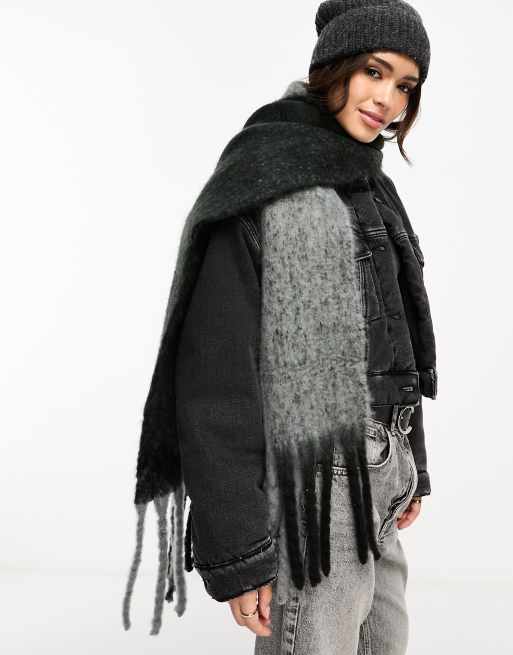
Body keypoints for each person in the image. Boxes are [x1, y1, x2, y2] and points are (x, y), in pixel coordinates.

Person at [122, 2, 438, 653]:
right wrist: (240, 552)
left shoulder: (368, 183)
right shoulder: (263, 178)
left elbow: (393, 337)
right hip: (310, 491)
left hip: (380, 476)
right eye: (374, 71)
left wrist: (413, 466)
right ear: (333, 67)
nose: (388, 99)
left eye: (405, 85)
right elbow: (215, 380)